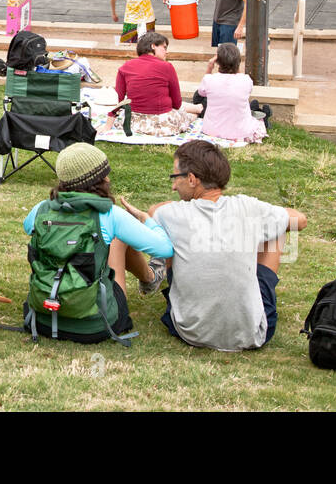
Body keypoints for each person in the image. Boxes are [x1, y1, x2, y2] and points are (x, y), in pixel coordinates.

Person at [119, 140, 307, 351]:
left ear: (191, 179)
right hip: (252, 334)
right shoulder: (249, 207)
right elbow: (299, 220)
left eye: (175, 177)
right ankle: (250, 296)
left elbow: (154, 211)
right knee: (278, 226)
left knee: (171, 234)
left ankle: (163, 278)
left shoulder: (169, 214)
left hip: (189, 330)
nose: (173, 186)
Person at [23, 143, 174, 305]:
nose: (108, 179)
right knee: (116, 237)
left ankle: (149, 278)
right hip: (96, 318)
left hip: (46, 309)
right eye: (105, 174)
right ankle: (149, 278)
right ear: (98, 180)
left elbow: (27, 226)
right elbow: (165, 249)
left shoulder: (41, 209)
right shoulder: (111, 215)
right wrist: (146, 219)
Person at [112, 31, 199, 135]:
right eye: (164, 48)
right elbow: (177, 103)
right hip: (162, 123)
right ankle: (199, 110)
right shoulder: (167, 67)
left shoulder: (125, 66)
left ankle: (198, 108)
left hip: (131, 122)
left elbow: (117, 99)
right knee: (190, 116)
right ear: (153, 46)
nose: (167, 52)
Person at [197, 42, 268, 143]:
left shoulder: (209, 80)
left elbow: (201, 92)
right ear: (238, 62)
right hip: (240, 131)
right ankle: (261, 113)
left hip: (211, 130)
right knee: (257, 120)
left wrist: (209, 67)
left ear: (217, 61)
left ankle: (255, 109)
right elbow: (246, 90)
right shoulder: (246, 80)